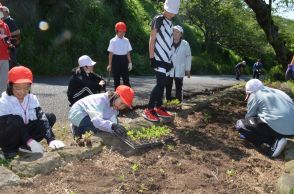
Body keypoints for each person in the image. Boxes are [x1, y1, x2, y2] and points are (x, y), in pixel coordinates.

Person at [0, 66, 65, 159]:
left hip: (23, 134)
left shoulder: (31, 98)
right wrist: (30, 141)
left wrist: (50, 139)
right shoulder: (4, 102)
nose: (22, 92)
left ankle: (25, 147)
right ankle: (9, 151)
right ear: (10, 85)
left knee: (49, 117)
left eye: (26, 88)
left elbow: (41, 117)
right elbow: (6, 127)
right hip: (8, 137)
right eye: (18, 88)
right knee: (16, 119)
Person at [142, 0, 181, 122]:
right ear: (165, 8)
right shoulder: (158, 19)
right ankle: (149, 109)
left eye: (173, 12)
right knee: (161, 83)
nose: (171, 14)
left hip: (166, 59)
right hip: (158, 57)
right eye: (170, 11)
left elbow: (169, 43)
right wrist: (151, 57)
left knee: (163, 83)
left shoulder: (170, 23)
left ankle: (159, 107)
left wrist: (169, 60)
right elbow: (152, 38)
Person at [235, 79, 294, 158]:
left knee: (241, 124)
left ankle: (273, 142)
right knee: (265, 121)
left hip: (280, 129)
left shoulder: (255, 94)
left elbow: (249, 117)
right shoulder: (277, 91)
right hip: (291, 131)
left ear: (250, 92)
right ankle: (276, 137)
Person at [68, 85, 134, 139]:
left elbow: (113, 120)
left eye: (124, 106)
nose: (121, 107)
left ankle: (82, 126)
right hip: (78, 113)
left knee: (107, 128)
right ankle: (76, 128)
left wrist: (115, 127)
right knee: (96, 127)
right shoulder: (100, 100)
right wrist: (112, 126)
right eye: (122, 103)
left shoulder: (114, 104)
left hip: (90, 114)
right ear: (116, 95)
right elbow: (96, 120)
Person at [165, 25, 191, 103]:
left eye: (177, 32)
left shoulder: (185, 44)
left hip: (180, 68)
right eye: (174, 31)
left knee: (179, 86)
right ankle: (168, 101)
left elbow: (188, 56)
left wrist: (188, 69)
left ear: (181, 34)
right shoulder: (168, 42)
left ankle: (178, 102)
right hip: (169, 68)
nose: (175, 33)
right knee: (168, 85)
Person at [107, 22, 132, 89]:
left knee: (126, 79)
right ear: (117, 31)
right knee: (116, 79)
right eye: (120, 31)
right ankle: (117, 96)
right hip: (115, 60)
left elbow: (128, 52)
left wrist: (130, 62)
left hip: (124, 59)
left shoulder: (126, 40)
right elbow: (111, 53)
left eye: (123, 32)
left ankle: (128, 94)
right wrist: (109, 64)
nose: (122, 33)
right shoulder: (112, 41)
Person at [0, 8, 12, 95]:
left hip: (4, 57)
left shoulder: (5, 25)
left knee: (4, 81)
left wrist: (7, 41)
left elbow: (9, 40)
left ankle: (2, 102)